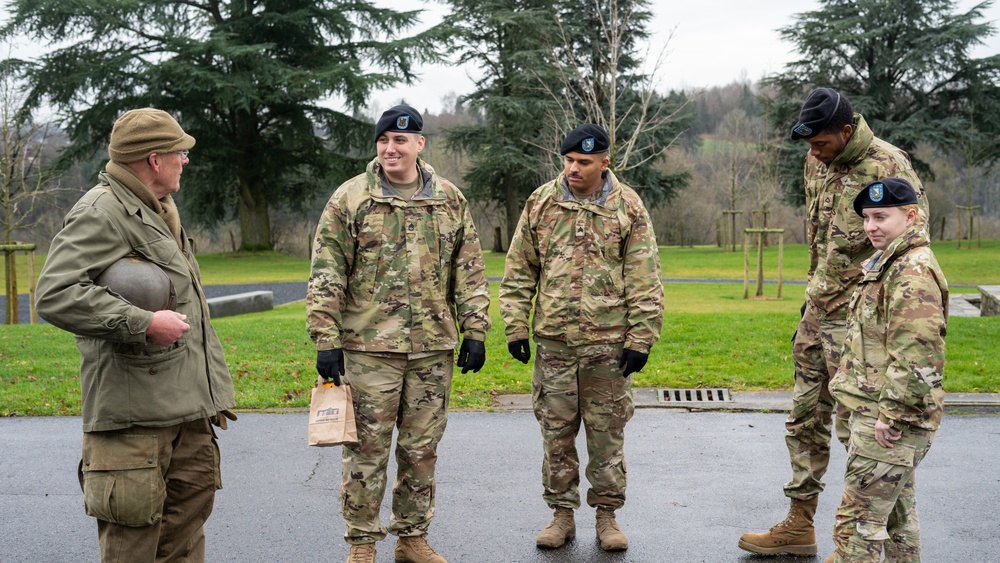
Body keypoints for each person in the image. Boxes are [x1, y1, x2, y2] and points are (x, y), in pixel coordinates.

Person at [35, 108, 237, 562]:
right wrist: (142, 322)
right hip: (133, 422)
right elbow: (54, 294)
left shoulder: (159, 208)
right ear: (153, 160)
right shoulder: (101, 211)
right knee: (132, 550)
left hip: (185, 411)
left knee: (183, 543)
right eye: (179, 153)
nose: (185, 160)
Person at [739, 87, 928, 557]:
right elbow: (820, 241)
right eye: (809, 146)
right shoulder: (816, 163)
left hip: (860, 326)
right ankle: (799, 525)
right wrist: (810, 304)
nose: (813, 153)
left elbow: (911, 247)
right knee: (804, 420)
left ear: (846, 132)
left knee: (863, 436)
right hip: (818, 312)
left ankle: (885, 543)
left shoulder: (888, 166)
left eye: (821, 143)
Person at [306, 104, 491, 563]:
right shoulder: (351, 199)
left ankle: (411, 538)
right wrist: (326, 340)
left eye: (401, 140)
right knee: (365, 452)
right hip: (369, 348)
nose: (391, 147)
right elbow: (326, 272)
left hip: (432, 348)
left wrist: (475, 330)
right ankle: (362, 543)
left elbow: (468, 270)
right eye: (384, 140)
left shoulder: (449, 199)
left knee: (421, 449)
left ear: (419, 144)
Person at [499, 124, 664, 552]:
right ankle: (561, 515)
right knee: (556, 433)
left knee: (606, 434)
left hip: (607, 344)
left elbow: (644, 275)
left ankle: (607, 516)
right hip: (554, 342)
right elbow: (520, 269)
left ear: (605, 162)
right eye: (569, 161)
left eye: (584, 162)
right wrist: (516, 326)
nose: (574, 168)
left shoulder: (627, 206)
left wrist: (641, 337)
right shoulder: (541, 202)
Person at [823, 177, 947, 563]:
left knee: (857, 526)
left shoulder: (910, 270)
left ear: (911, 216)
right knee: (897, 522)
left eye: (882, 216)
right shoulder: (890, 262)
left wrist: (893, 414)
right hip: (881, 412)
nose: (871, 226)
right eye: (866, 218)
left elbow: (917, 352)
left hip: (890, 419)